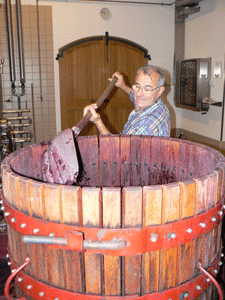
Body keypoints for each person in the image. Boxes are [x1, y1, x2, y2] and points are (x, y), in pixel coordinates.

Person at [83, 65, 170, 136]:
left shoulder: (147, 126)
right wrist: (122, 85)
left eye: (147, 89)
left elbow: (115, 151)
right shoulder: (155, 103)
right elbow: (135, 96)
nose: (139, 93)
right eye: (137, 86)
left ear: (160, 90)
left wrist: (98, 122)